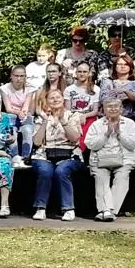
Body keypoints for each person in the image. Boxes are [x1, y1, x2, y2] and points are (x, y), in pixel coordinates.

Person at [30, 89, 83, 220]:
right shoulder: (41, 118)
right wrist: (44, 121)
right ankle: (41, 208)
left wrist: (62, 121)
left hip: (69, 154)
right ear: (47, 102)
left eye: (58, 97)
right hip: (44, 154)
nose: (55, 100)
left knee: (62, 170)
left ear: (63, 99)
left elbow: (75, 138)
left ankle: (68, 209)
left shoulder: (73, 115)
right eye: (51, 98)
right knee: (45, 171)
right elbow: (36, 142)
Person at [85, 98, 135, 221]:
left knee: (122, 178)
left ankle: (107, 211)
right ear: (103, 110)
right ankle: (108, 211)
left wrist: (120, 134)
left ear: (121, 109)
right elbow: (91, 145)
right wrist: (106, 134)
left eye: (116, 106)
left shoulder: (130, 123)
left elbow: (134, 144)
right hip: (100, 160)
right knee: (101, 178)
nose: (113, 109)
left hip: (124, 159)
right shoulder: (96, 125)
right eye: (109, 106)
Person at [0, 66, 35, 163]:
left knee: (27, 130)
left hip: (24, 115)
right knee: (11, 130)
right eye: (16, 76)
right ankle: (15, 156)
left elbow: (26, 106)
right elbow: (8, 108)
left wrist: (22, 112)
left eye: (21, 76)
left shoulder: (30, 89)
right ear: (11, 76)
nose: (19, 79)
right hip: (11, 116)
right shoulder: (4, 88)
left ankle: (25, 157)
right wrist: (18, 112)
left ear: (25, 77)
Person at [100, 52, 135, 120]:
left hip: (131, 116)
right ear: (115, 66)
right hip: (109, 116)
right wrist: (126, 98)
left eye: (126, 64)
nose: (123, 66)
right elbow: (103, 100)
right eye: (120, 64)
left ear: (130, 66)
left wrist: (125, 91)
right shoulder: (107, 82)